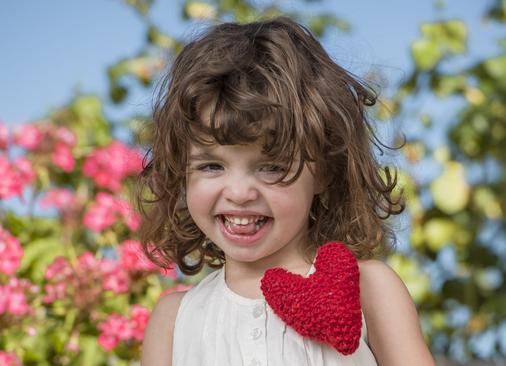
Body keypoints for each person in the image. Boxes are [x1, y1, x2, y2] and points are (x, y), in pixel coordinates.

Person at [136, 16, 436, 365]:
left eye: (272, 167)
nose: (239, 192)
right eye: (211, 166)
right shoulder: (174, 321)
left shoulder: (369, 288)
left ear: (323, 171)